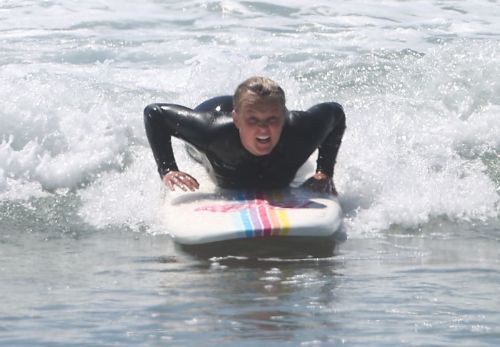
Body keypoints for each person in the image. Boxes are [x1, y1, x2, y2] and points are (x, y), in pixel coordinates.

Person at [144, 76, 345, 195]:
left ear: (283, 117)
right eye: (253, 121)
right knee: (195, 151)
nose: (264, 129)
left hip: (249, 107)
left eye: (272, 120)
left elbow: (335, 112)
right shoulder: (211, 133)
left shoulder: (300, 130)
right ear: (237, 120)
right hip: (212, 113)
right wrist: (168, 169)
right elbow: (155, 114)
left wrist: (324, 171)